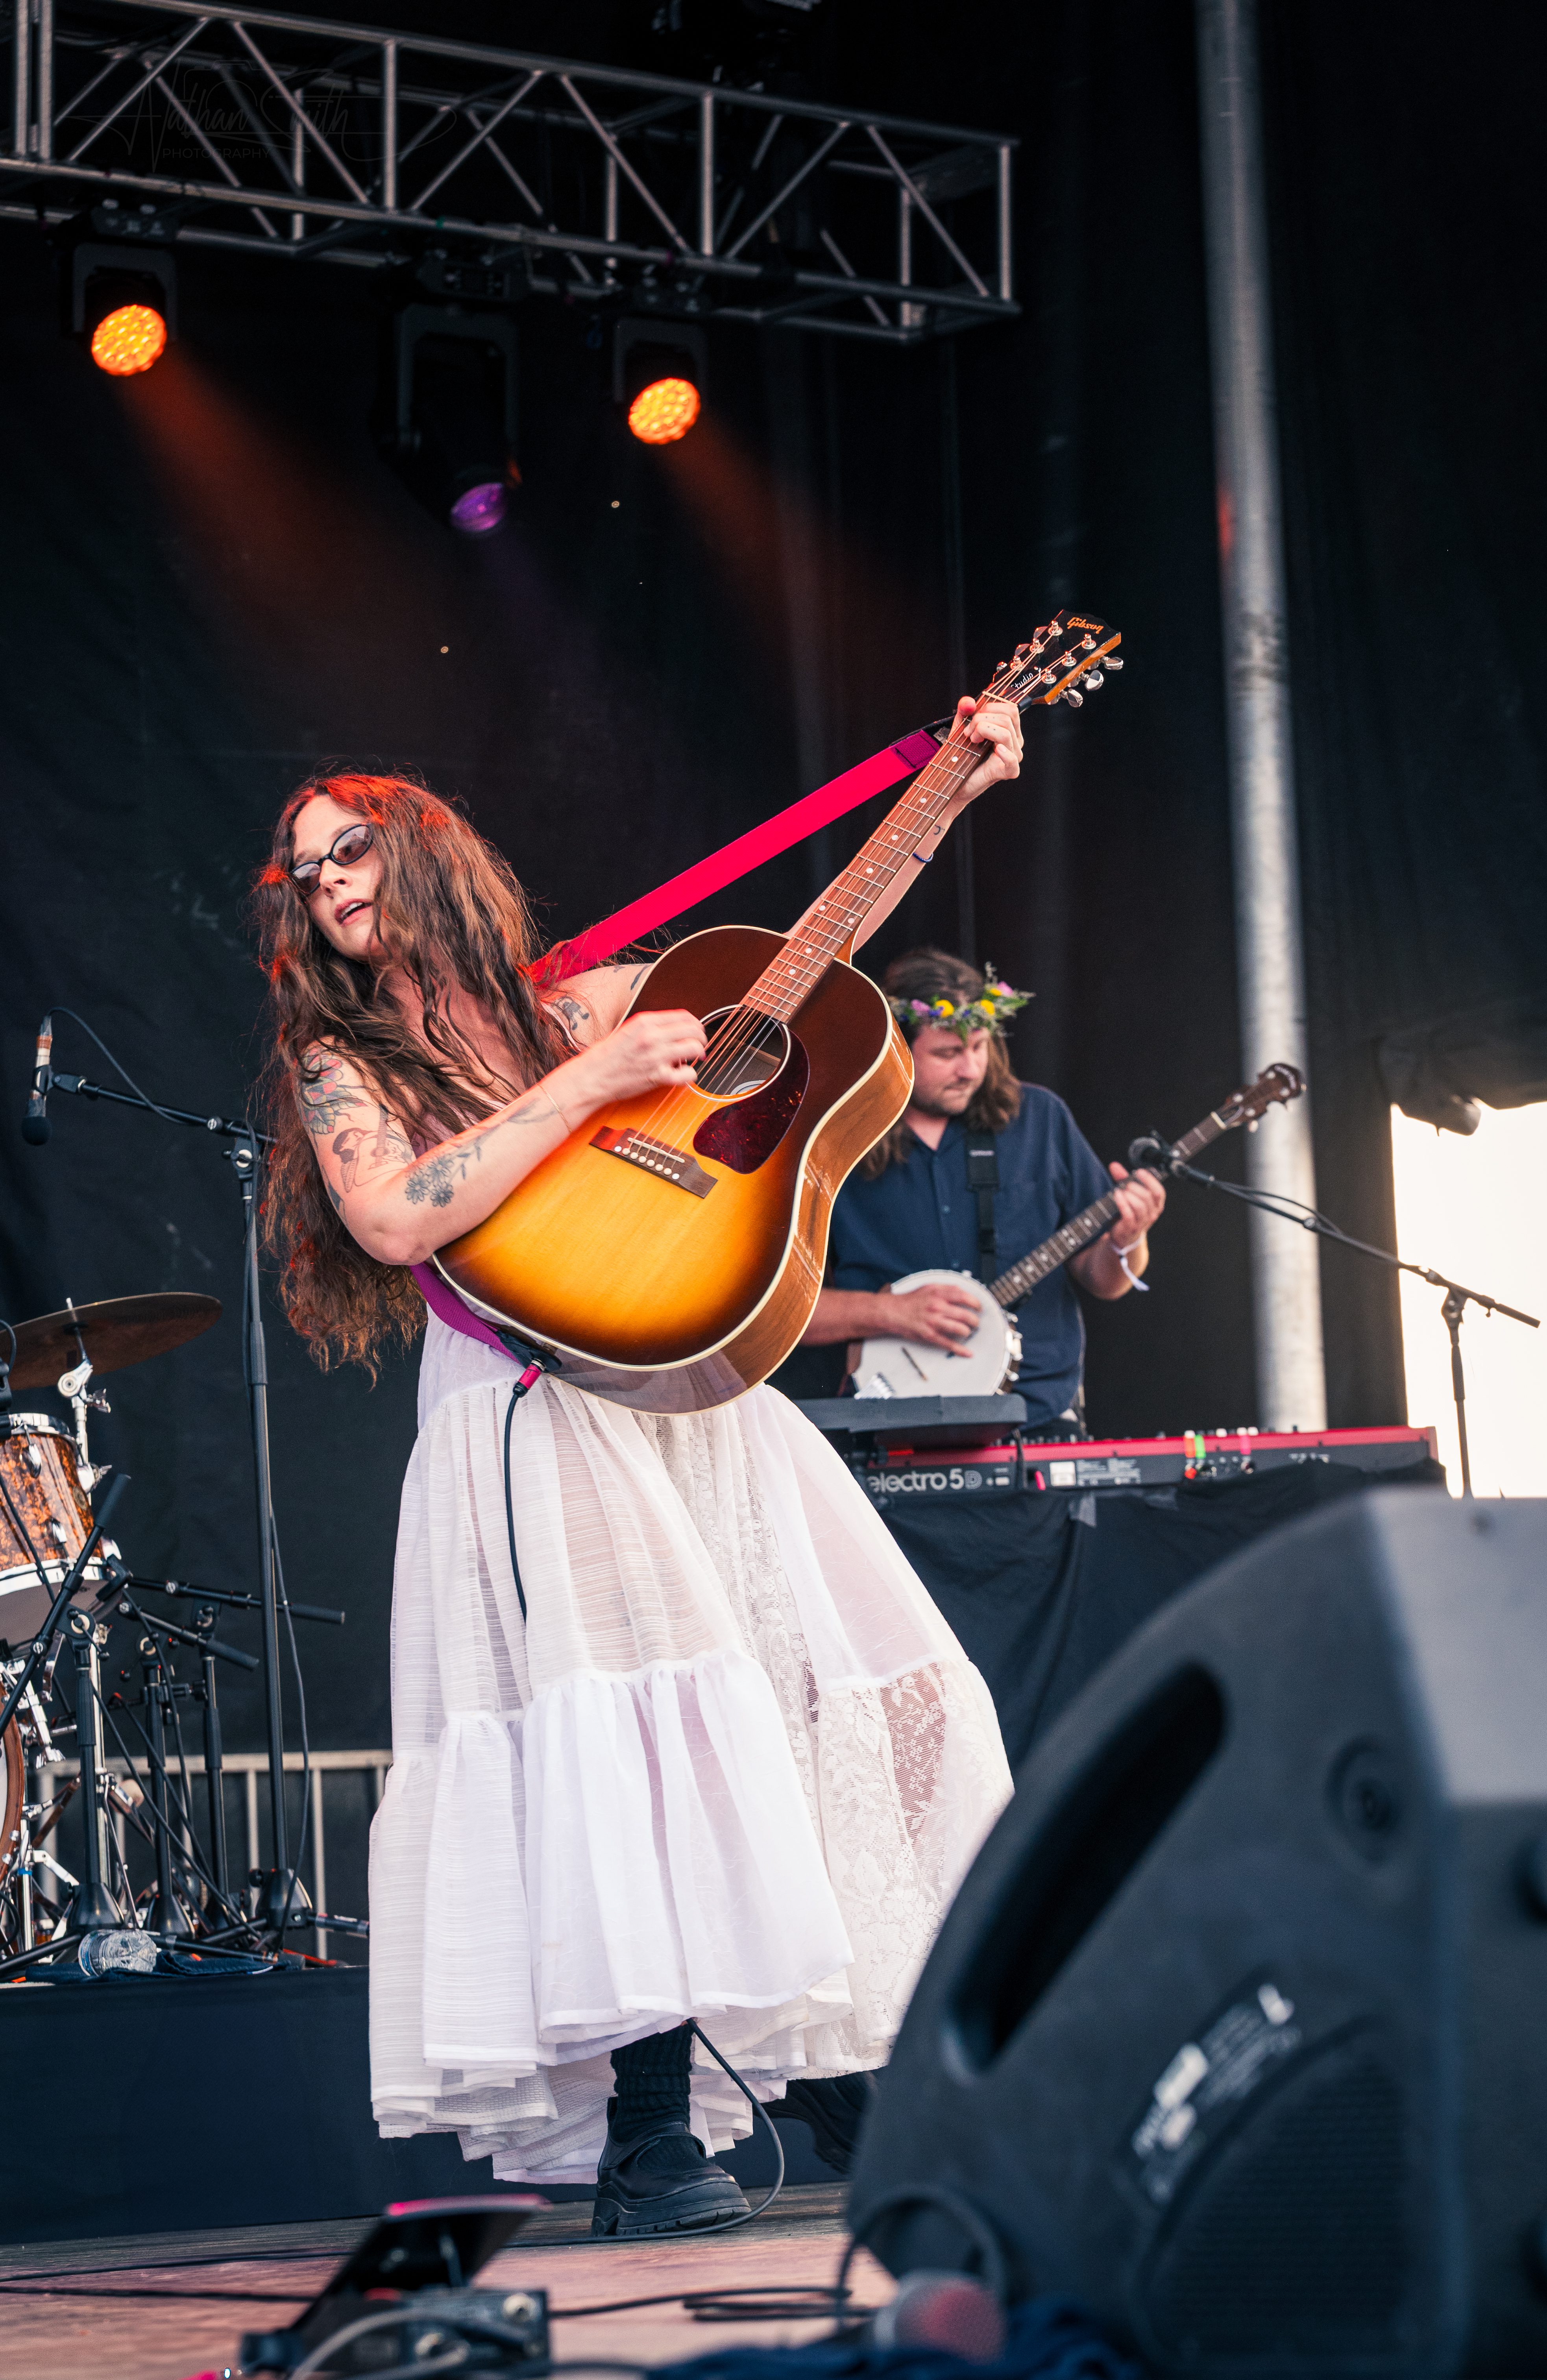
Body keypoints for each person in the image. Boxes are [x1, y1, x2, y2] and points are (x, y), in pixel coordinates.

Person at [251, 702, 1018, 2238]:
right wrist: (582, 1090)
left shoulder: (566, 1000)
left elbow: (811, 947)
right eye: (302, 870)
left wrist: (952, 785)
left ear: (422, 850)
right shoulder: (344, 1064)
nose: (329, 879)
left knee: (866, 1681)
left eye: (352, 846)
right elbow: (397, 1222)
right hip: (530, 1410)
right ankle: (648, 2142)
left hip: (686, 1393)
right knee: (634, 1751)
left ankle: (837, 2054)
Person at [796, 950, 1166, 1432]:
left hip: (1034, 1420)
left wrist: (1126, 1241)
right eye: (948, 1054)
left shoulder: (1041, 1120)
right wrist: (886, 1313)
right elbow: (776, 1318)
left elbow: (1106, 1282)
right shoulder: (830, 1144)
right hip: (883, 1427)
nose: (970, 1069)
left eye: (979, 1047)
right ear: (895, 1053)